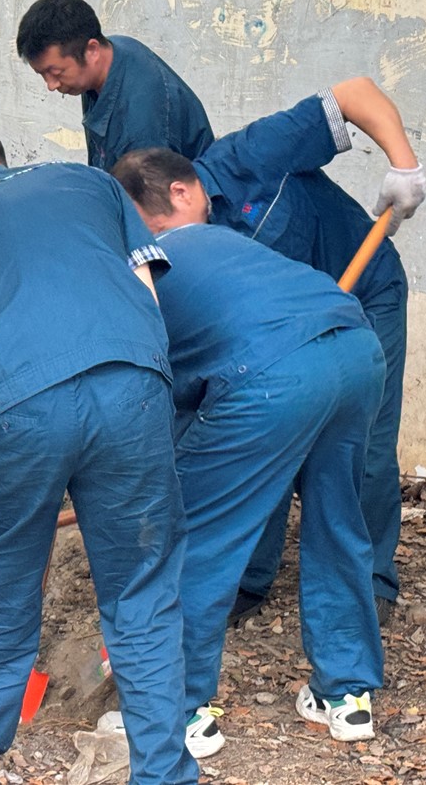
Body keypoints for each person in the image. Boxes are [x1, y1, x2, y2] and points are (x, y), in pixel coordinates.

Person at [0, 110, 198, 785]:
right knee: (142, 587)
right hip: (133, 383)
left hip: (20, 406)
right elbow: (145, 294)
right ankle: (164, 771)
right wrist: (143, 390)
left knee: (1, 581)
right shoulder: (92, 184)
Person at [112, 147, 387, 756]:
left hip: (271, 377)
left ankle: (177, 711)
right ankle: (346, 695)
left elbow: (145, 399)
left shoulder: (142, 269)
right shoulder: (227, 242)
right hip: (355, 350)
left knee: (196, 538)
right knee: (338, 521)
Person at [177, 77, 426, 627]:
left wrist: (404, 166)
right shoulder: (179, 253)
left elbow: (354, 94)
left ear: (180, 192)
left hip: (364, 296)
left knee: (363, 444)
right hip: (285, 331)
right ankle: (248, 577)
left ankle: (369, 581)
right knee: (255, 434)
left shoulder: (251, 156)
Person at [15, 0, 213, 170]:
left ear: (92, 50)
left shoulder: (141, 124)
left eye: (57, 73)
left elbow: (150, 196)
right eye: (42, 74)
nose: (51, 85)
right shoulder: (112, 51)